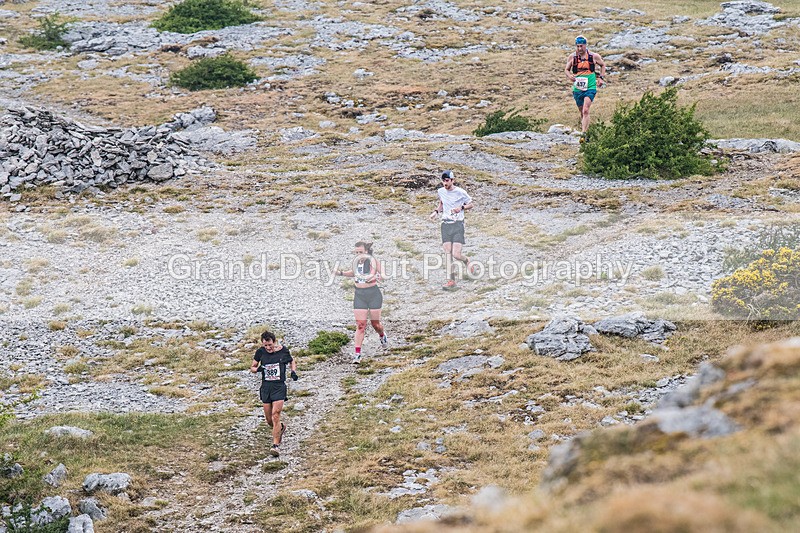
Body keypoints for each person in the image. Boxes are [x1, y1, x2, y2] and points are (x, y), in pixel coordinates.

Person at [335, 241, 388, 363]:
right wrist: (340, 273)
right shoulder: (356, 262)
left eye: (361, 252)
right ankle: (357, 354)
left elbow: (384, 275)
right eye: (356, 252)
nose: (359, 254)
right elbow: (353, 273)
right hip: (359, 295)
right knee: (360, 325)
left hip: (373, 294)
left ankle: (382, 335)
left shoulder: (373, 261)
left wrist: (375, 277)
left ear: (367, 251)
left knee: (376, 324)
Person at [249, 330, 297, 457]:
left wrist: (293, 372)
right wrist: (258, 369)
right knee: (269, 420)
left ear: (274, 342)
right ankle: (281, 428)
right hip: (266, 388)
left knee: (276, 415)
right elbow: (252, 367)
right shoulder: (260, 352)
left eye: (270, 344)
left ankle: (275, 446)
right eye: (265, 345)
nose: (268, 348)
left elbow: (292, 361)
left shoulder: (283, 351)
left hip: (279, 387)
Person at [428, 170, 475, 290]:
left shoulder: (460, 192)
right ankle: (451, 280)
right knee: (448, 254)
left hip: (457, 224)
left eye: (447, 181)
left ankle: (466, 260)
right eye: (443, 181)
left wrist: (462, 207)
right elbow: (442, 203)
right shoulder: (441, 191)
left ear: (452, 180)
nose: (445, 183)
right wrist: (436, 212)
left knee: (456, 254)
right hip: (445, 224)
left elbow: (471, 204)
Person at [564, 34, 606, 142]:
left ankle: (583, 134)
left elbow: (603, 65)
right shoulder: (572, 57)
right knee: (582, 112)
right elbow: (566, 70)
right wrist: (570, 76)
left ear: (585, 45)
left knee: (586, 110)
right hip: (577, 88)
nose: (579, 48)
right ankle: (587, 134)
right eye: (577, 46)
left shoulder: (593, 56)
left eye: (581, 46)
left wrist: (601, 78)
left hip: (590, 86)